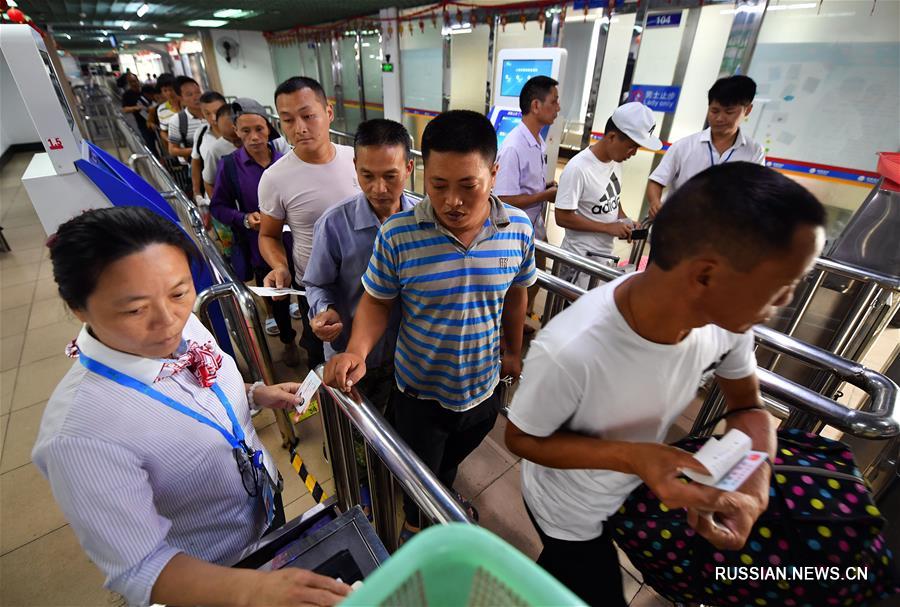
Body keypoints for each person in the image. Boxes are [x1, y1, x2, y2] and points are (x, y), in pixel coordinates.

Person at [505, 162, 826, 606]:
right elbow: (521, 438)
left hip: (630, 488)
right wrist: (636, 457)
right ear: (706, 275)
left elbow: (748, 408)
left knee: (564, 580)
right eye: (782, 286)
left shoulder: (726, 325)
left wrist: (755, 484)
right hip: (567, 508)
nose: (786, 302)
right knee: (586, 578)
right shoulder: (572, 349)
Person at [33, 206, 350, 607]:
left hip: (262, 511)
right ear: (78, 307)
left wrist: (255, 394)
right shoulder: (80, 434)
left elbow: (195, 391)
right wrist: (251, 590)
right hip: (208, 573)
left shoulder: (186, 325)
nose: (168, 320)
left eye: (180, 292)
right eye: (135, 309)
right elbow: (141, 569)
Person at [324, 110, 536, 544]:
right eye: (438, 185)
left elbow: (517, 294)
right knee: (419, 469)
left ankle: (441, 496)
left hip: (483, 387)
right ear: (422, 174)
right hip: (419, 391)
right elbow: (377, 301)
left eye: (468, 186)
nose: (452, 201)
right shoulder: (399, 235)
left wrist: (513, 352)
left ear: (494, 174)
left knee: (448, 461)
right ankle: (416, 525)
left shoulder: (517, 228)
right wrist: (357, 351)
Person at [303, 118, 416, 408]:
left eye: (390, 176)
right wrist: (324, 310)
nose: (379, 188)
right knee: (353, 428)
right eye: (367, 176)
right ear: (355, 167)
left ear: (409, 168)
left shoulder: (423, 223)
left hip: (407, 357)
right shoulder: (334, 224)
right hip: (350, 356)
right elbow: (316, 283)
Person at [258, 77, 360, 370]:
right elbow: (268, 235)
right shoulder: (275, 178)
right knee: (323, 356)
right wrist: (280, 267)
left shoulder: (356, 160)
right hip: (316, 288)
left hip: (366, 282)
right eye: (288, 120)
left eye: (308, 116)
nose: (299, 128)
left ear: (328, 112)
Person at [209, 98, 301, 367]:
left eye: (259, 129)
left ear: (269, 128)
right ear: (236, 131)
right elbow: (218, 206)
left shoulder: (288, 161)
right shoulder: (230, 166)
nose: (254, 137)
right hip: (261, 247)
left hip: (297, 243)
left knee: (306, 293)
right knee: (278, 297)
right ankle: (287, 340)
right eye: (246, 130)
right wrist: (245, 219)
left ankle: (311, 339)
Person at [554, 102, 660, 288]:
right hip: (578, 261)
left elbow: (613, 197)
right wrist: (607, 227)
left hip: (603, 258)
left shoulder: (615, 161)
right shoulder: (578, 168)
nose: (633, 153)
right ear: (612, 137)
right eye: (632, 147)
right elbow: (562, 217)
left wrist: (624, 220)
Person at [647, 75, 765, 219]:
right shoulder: (684, 146)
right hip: (678, 223)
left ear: (747, 110)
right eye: (714, 111)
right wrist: (655, 203)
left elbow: (756, 194)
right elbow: (657, 181)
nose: (719, 118)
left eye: (729, 112)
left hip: (724, 227)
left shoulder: (754, 152)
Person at [494, 75, 560, 325]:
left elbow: (524, 185)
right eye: (554, 101)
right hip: (515, 232)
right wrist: (543, 195)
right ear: (536, 105)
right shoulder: (514, 146)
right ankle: (507, 332)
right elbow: (503, 198)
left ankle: (519, 323)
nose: (558, 108)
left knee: (534, 280)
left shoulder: (537, 141)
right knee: (516, 287)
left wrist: (543, 187)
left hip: (534, 227)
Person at [190, 91, 228, 203]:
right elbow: (196, 162)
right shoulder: (201, 133)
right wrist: (197, 192)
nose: (213, 118)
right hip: (212, 195)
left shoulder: (238, 132)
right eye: (207, 113)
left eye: (217, 112)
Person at [166, 77, 205, 164]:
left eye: (198, 92)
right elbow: (172, 150)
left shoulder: (213, 112)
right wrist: (197, 150)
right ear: (180, 98)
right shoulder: (177, 120)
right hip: (198, 165)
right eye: (190, 94)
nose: (196, 97)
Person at [120, 73, 156, 155]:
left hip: (155, 119)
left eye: (135, 81)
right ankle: (156, 157)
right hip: (142, 123)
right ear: (128, 83)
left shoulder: (145, 89)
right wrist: (136, 108)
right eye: (131, 82)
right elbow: (125, 109)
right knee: (150, 143)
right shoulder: (127, 95)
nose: (134, 83)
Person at [152, 73, 180, 148]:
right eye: (165, 90)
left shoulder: (187, 103)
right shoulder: (161, 110)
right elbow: (163, 130)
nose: (169, 93)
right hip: (179, 150)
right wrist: (171, 141)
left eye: (171, 89)